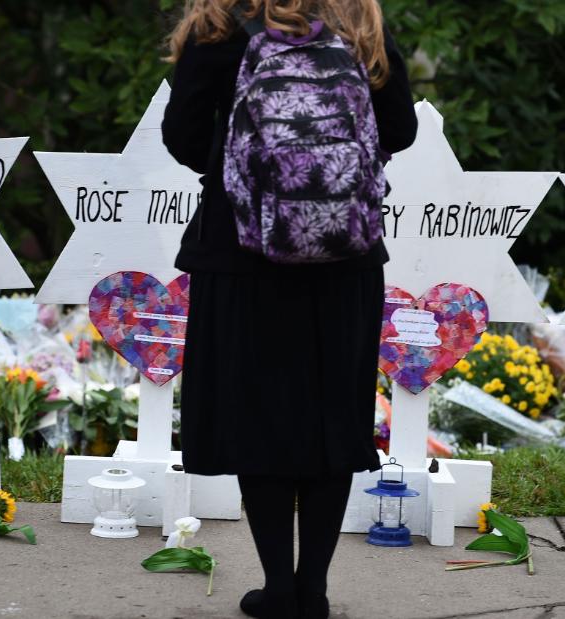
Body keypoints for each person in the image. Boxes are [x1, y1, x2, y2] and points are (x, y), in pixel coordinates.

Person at [161, 1, 416, 617]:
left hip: (241, 253)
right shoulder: (359, 26)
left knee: (261, 422)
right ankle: (316, 589)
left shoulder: (219, 29)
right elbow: (401, 130)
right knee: (333, 418)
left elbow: (183, 138)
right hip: (345, 251)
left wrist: (257, 166)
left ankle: (279, 587)